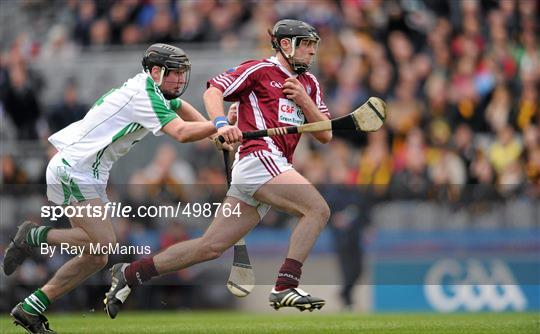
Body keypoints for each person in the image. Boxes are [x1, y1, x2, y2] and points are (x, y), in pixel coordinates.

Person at [104, 19, 332, 317]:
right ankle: (285, 286)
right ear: (286, 45)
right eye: (307, 45)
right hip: (259, 159)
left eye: (314, 46)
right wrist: (222, 123)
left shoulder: (309, 85)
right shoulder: (260, 70)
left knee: (209, 247)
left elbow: (325, 133)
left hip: (273, 166)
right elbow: (213, 90)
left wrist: (303, 100)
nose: (312, 52)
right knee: (318, 210)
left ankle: (131, 273)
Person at [3, 43, 232, 334]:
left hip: (90, 173)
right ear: (156, 71)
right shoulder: (144, 95)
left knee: (97, 256)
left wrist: (213, 131)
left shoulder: (155, 90)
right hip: (75, 169)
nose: (179, 80)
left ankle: (30, 308)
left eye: (181, 73)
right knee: (105, 244)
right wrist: (218, 125)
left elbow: (182, 108)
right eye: (174, 73)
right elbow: (181, 132)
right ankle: (33, 235)